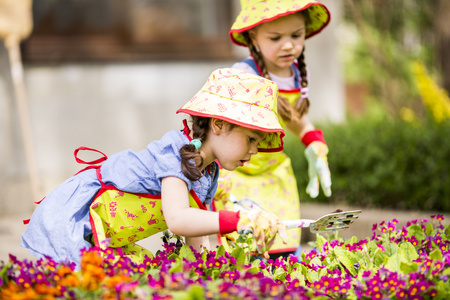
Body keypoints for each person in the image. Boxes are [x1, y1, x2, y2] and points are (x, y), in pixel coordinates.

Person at [21, 68, 288, 267]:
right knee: (86, 284)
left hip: (113, 236)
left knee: (142, 280)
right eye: (251, 139)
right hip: (82, 218)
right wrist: (237, 220)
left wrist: (207, 274)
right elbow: (179, 219)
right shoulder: (175, 152)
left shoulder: (209, 172)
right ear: (218, 125)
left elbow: (196, 238)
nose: (255, 151)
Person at [213, 0, 332, 259]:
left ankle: (290, 278)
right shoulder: (243, 74)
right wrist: (216, 166)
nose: (288, 45)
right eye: (276, 37)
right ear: (253, 37)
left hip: (274, 168)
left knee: (284, 234)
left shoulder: (296, 73)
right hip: (237, 169)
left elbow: (294, 117)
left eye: (296, 35)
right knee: (246, 240)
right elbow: (220, 123)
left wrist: (313, 142)